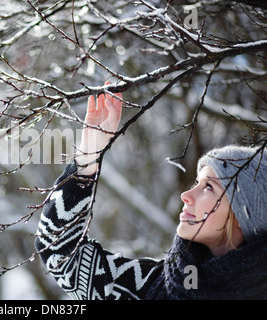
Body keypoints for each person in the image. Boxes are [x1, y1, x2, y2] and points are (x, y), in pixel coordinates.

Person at [35, 82, 267, 300]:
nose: (186, 196)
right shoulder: (154, 285)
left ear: (245, 213)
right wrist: (87, 159)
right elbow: (58, 251)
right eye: (196, 182)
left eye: (208, 187)